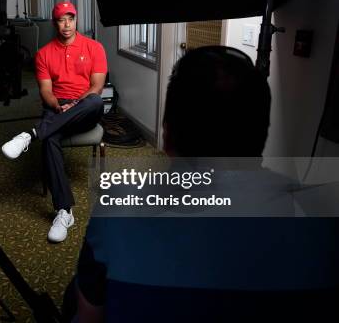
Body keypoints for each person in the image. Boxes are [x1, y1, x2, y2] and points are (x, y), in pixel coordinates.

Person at [71, 46, 339, 322]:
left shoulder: (115, 211)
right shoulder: (320, 217)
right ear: (262, 134)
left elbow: (88, 317)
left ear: (167, 132)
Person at [1, 1, 107, 243]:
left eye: (70, 18)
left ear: (76, 19)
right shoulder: (44, 54)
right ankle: (64, 211)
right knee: (50, 139)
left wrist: (75, 104)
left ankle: (30, 134)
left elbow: (97, 87)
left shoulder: (94, 47)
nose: (66, 24)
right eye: (61, 19)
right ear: (55, 23)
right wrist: (58, 105)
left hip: (84, 108)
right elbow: (46, 92)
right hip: (56, 107)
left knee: (95, 102)